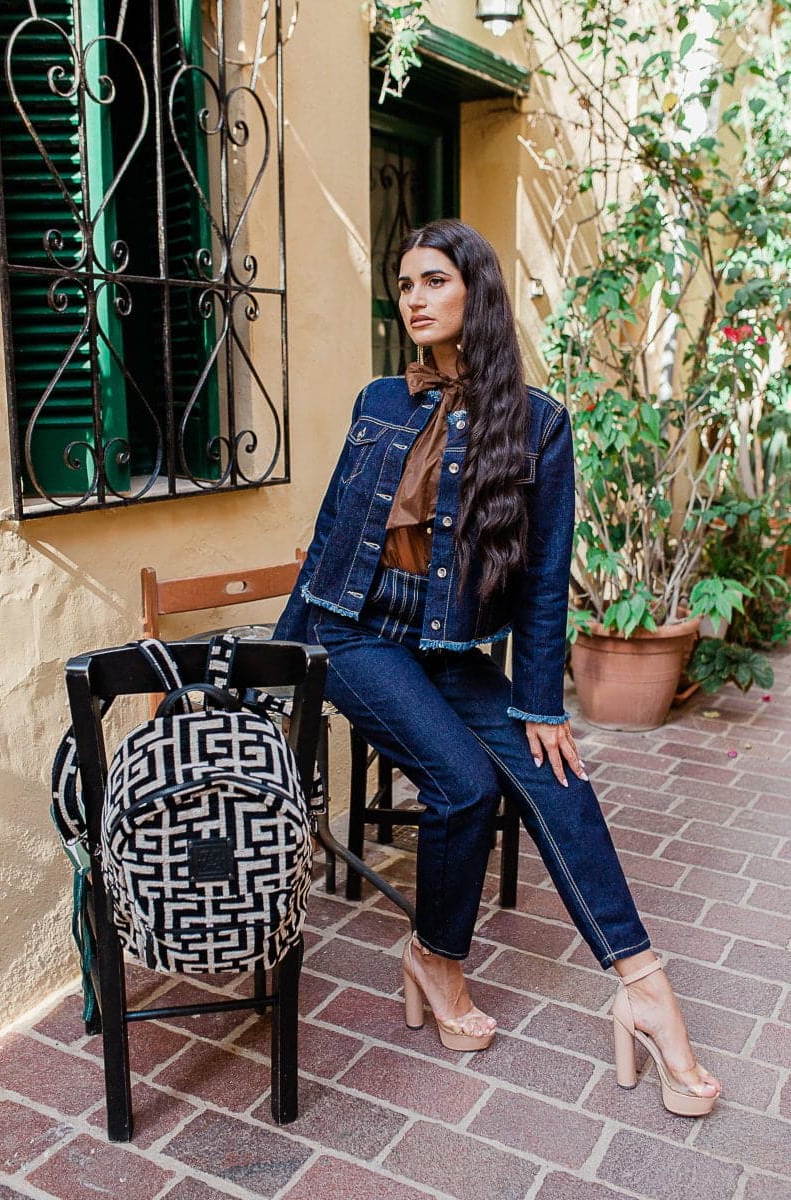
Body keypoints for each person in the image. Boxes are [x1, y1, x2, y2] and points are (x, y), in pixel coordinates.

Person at [275, 219, 722, 1116]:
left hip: (443, 647)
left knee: (558, 777)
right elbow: (329, 538)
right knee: (465, 785)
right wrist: (282, 660)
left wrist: (541, 703)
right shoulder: (379, 400)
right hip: (352, 632)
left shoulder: (540, 423)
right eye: (405, 283)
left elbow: (544, 578)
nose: (414, 298)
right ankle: (437, 959)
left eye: (433, 281)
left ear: (476, 291)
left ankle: (643, 988)